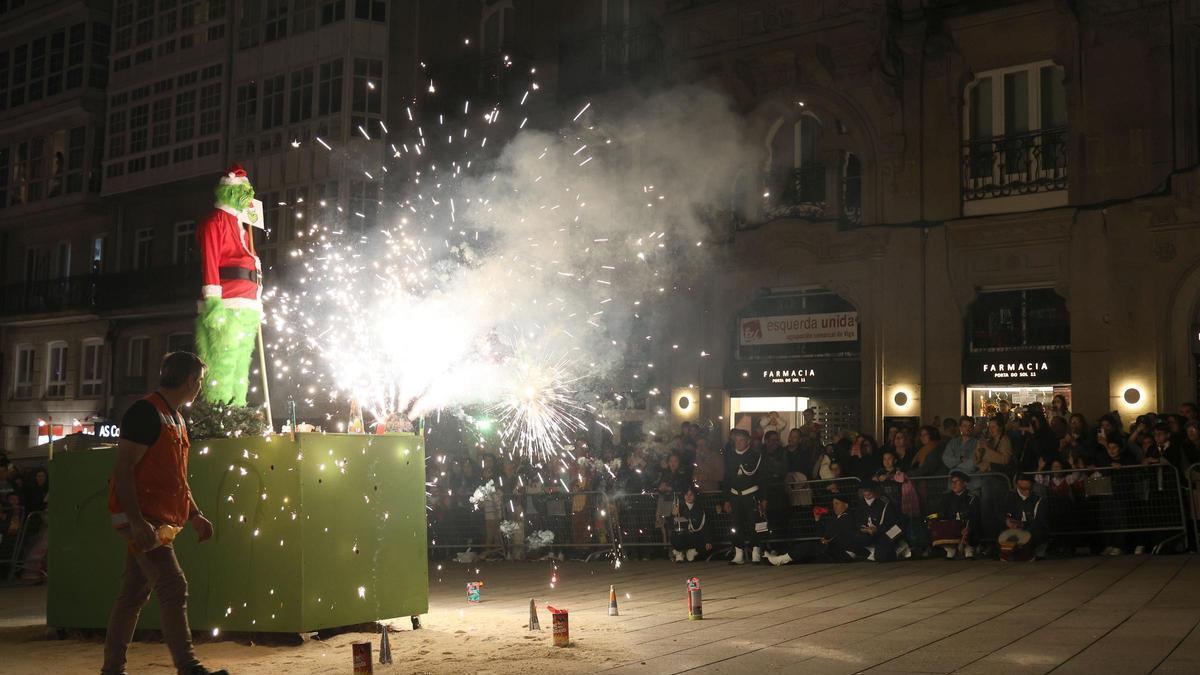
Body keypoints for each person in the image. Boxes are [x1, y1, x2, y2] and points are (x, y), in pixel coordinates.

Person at [102, 352, 228, 675]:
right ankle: (188, 667)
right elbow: (124, 469)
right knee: (173, 586)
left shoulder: (170, 415)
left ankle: (112, 670)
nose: (200, 388)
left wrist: (194, 514)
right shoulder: (148, 413)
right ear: (189, 382)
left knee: (133, 595)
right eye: (199, 381)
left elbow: (175, 478)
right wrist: (136, 521)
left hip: (152, 519)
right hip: (144, 519)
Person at [765, 493, 865, 565]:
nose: (834, 506)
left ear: (846, 505)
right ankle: (780, 556)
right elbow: (821, 533)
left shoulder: (848, 517)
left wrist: (825, 539)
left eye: (837, 503)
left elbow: (831, 534)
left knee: (809, 547)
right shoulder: (836, 517)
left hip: (844, 552)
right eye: (834, 504)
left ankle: (780, 559)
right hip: (836, 550)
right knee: (807, 556)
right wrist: (817, 519)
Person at [724, 428, 764, 565]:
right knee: (735, 525)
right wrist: (726, 499)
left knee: (755, 524)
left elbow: (763, 479)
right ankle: (739, 553)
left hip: (751, 494)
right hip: (735, 496)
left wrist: (763, 499)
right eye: (736, 440)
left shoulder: (755, 456)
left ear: (748, 441)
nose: (738, 443)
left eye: (741, 440)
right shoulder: (729, 457)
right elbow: (727, 479)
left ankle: (756, 552)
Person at [1000, 473, 1048, 560]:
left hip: (1030, 530)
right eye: (1022, 481)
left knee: (1033, 535)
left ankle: (1028, 553)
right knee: (1007, 543)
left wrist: (1023, 526)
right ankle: (1010, 553)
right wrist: (1007, 521)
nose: (1025, 483)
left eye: (1027, 481)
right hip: (1013, 531)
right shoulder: (1010, 498)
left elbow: (1040, 521)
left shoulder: (1037, 500)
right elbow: (1002, 514)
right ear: (1018, 483)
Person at [933, 471, 980, 559]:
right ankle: (950, 548)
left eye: (957, 481)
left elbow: (975, 516)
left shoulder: (972, 498)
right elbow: (941, 512)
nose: (954, 484)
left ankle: (968, 548)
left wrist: (969, 527)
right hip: (952, 524)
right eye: (952, 482)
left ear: (964, 483)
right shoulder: (947, 497)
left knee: (970, 525)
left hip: (966, 525)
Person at [854, 482, 903, 562]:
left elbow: (891, 522)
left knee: (882, 557)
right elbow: (858, 520)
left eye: (869, 490)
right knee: (857, 538)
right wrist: (864, 528)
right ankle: (874, 549)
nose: (866, 493)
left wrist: (877, 529)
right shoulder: (861, 504)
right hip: (871, 531)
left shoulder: (884, 503)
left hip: (888, 531)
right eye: (864, 491)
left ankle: (899, 547)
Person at [670, 486, 713, 562]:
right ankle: (679, 552)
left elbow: (705, 525)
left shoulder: (700, 508)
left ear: (695, 496)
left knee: (704, 548)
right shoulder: (679, 507)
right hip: (683, 535)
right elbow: (671, 525)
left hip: (695, 535)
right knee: (675, 535)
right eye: (686, 494)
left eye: (691, 495)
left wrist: (708, 540)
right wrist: (673, 515)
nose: (688, 497)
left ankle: (692, 550)